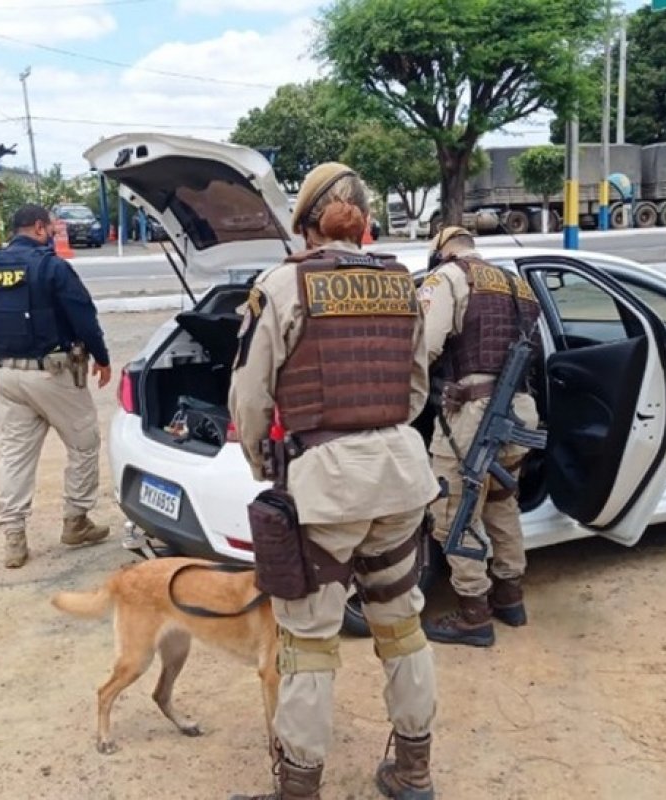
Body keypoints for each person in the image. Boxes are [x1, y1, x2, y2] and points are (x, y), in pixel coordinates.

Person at [229, 164, 439, 800]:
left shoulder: (281, 285)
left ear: (306, 227)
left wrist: (268, 467)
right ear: (365, 222)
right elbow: (416, 390)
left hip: (323, 486)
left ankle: (299, 788)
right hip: (401, 475)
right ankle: (413, 771)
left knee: (308, 641)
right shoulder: (403, 284)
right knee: (401, 626)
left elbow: (249, 397)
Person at [0, 203, 112, 569]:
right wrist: (102, 357)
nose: (52, 233)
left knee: (15, 456)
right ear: (38, 227)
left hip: (7, 376)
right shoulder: (52, 267)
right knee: (84, 443)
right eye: (50, 228)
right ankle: (76, 521)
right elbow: (84, 316)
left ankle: (14, 538)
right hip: (53, 376)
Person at [418, 226, 542, 647]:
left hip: (472, 415)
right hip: (520, 410)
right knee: (501, 502)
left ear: (441, 252)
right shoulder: (516, 283)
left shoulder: (448, 277)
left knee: (454, 509)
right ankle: (510, 597)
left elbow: (426, 346)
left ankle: (474, 614)